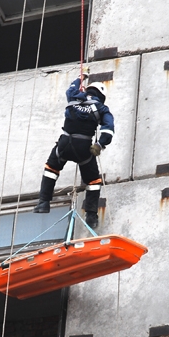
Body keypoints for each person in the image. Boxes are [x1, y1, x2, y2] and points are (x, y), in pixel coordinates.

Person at [33, 75, 115, 229]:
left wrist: (81, 77)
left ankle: (43, 203)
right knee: (93, 181)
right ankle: (91, 217)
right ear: (101, 96)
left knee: (51, 169)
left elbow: (71, 86)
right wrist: (99, 145)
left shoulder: (74, 97)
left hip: (64, 143)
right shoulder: (102, 109)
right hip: (83, 147)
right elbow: (108, 131)